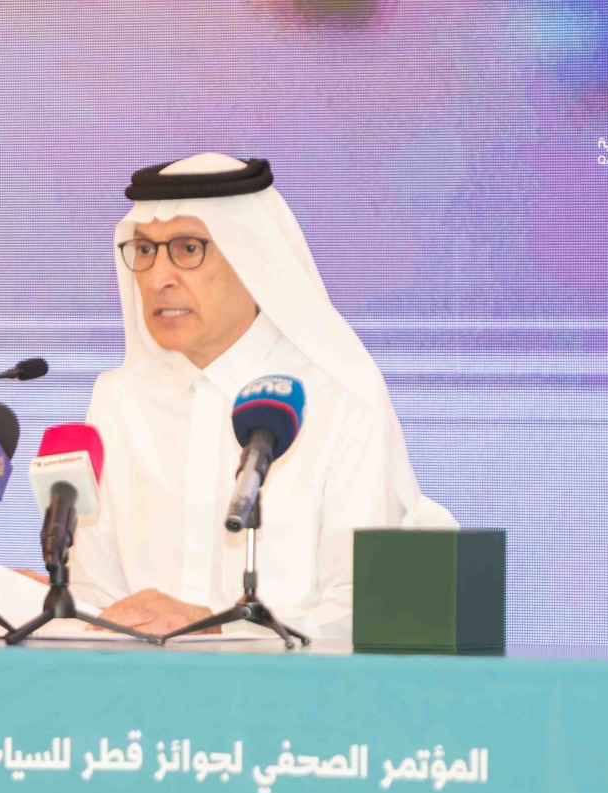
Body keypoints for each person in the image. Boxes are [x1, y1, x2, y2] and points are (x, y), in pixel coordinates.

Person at [66, 153, 456, 640]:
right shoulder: (119, 400)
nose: (158, 277)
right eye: (145, 250)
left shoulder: (337, 400)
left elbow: (365, 609)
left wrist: (216, 633)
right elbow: (100, 596)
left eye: (188, 249)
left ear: (255, 260)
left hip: (296, 687)